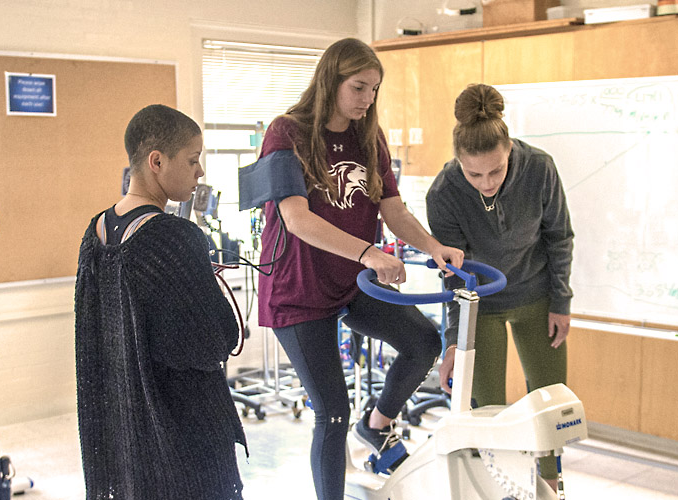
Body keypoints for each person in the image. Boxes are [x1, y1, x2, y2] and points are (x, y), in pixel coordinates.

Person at [253, 37, 463, 500]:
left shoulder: (368, 135)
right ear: (331, 80)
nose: (368, 99)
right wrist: (369, 253)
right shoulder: (286, 132)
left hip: (349, 283)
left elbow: (393, 210)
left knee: (422, 341)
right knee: (331, 412)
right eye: (359, 87)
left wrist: (434, 246)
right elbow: (296, 217)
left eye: (374, 89)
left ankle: (378, 423)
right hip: (298, 288)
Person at [74, 104, 246, 499]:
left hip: (122, 418)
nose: (199, 172)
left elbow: (94, 336)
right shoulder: (174, 237)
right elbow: (214, 340)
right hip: (180, 427)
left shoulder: (95, 232)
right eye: (192, 160)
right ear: (156, 161)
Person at [426, 83, 575, 490]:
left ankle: (550, 488)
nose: (487, 182)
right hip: (481, 305)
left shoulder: (540, 168)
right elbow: (453, 275)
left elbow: (559, 236)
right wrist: (453, 340)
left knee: (550, 407)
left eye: (496, 169)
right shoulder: (444, 193)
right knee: (488, 413)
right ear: (459, 162)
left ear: (510, 150)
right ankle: (500, 490)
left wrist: (561, 300)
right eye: (474, 173)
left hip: (537, 296)